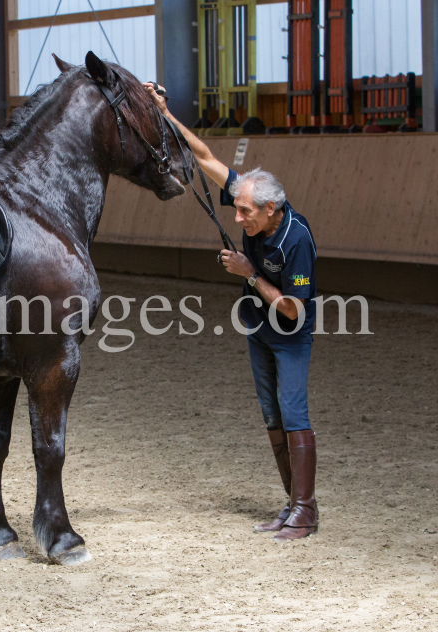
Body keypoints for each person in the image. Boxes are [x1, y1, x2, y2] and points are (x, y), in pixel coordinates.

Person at [145, 83, 318, 541]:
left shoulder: (296, 239)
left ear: (271, 209)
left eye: (245, 213)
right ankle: (292, 504)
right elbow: (204, 157)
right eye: (237, 210)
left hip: (290, 334)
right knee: (271, 417)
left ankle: (307, 510)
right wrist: (165, 113)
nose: (237, 219)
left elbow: (293, 308)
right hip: (258, 332)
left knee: (294, 414)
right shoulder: (251, 198)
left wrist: (247, 273)